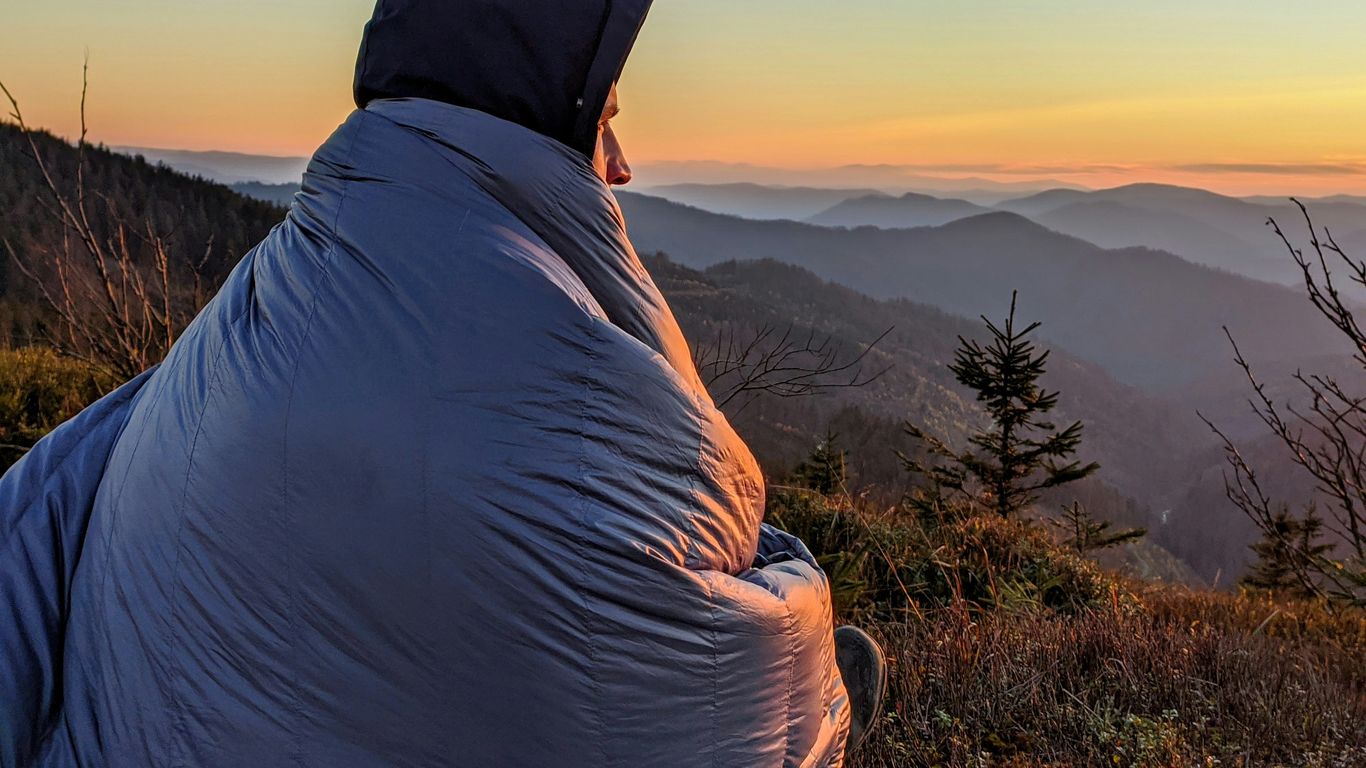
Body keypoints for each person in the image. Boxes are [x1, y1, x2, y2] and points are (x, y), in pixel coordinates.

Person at [0, 2, 884, 766]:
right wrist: (794, 586)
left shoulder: (249, 319)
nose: (620, 164)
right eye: (605, 119)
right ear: (546, 121)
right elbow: (719, 702)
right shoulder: (586, 410)